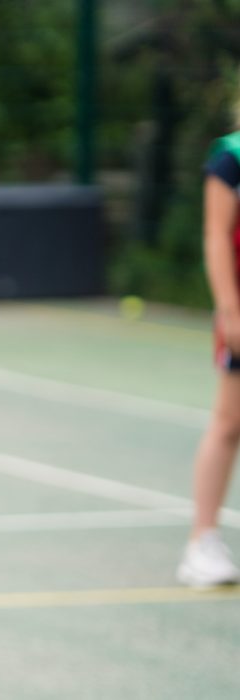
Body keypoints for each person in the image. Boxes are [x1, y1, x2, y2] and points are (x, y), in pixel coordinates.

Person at [180, 117, 240, 588]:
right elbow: (216, 235)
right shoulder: (230, 157)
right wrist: (229, 309)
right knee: (229, 420)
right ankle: (202, 541)